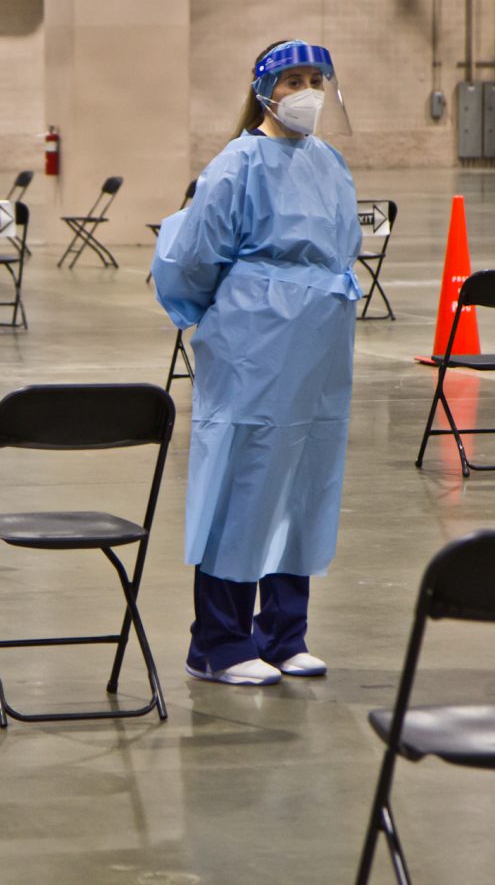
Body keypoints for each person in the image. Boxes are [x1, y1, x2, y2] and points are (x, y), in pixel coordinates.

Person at [151, 40, 363, 686]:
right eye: (292, 79)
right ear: (265, 88)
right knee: (244, 481)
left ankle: (283, 634)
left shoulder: (329, 160)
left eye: (315, 79)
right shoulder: (237, 162)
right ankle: (217, 643)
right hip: (253, 338)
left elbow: (344, 244)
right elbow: (191, 257)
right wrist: (223, 314)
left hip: (320, 339)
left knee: (303, 481)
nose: (306, 90)